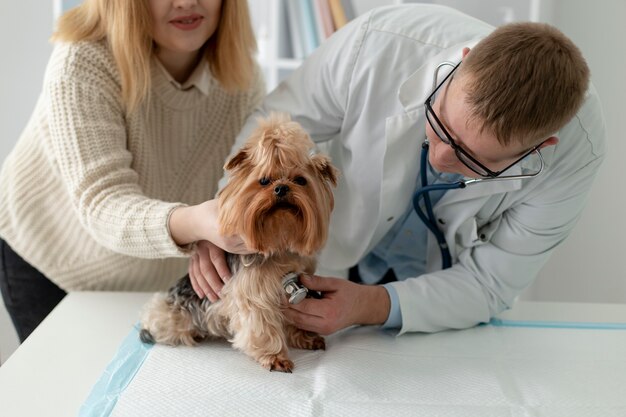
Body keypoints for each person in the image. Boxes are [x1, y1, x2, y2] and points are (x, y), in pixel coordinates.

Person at [190, 4, 606, 336]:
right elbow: (270, 126)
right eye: (441, 126)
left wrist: (374, 305)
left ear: (540, 148)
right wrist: (226, 220)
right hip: (326, 251)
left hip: (434, 295)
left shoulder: (575, 152)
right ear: (459, 66)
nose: (442, 158)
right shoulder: (378, 45)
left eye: (474, 159)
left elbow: (491, 282)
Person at [0, 0, 264, 342]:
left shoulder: (242, 77)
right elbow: (102, 203)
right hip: (52, 257)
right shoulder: (82, 61)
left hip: (160, 265)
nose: (187, 2)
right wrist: (197, 223)